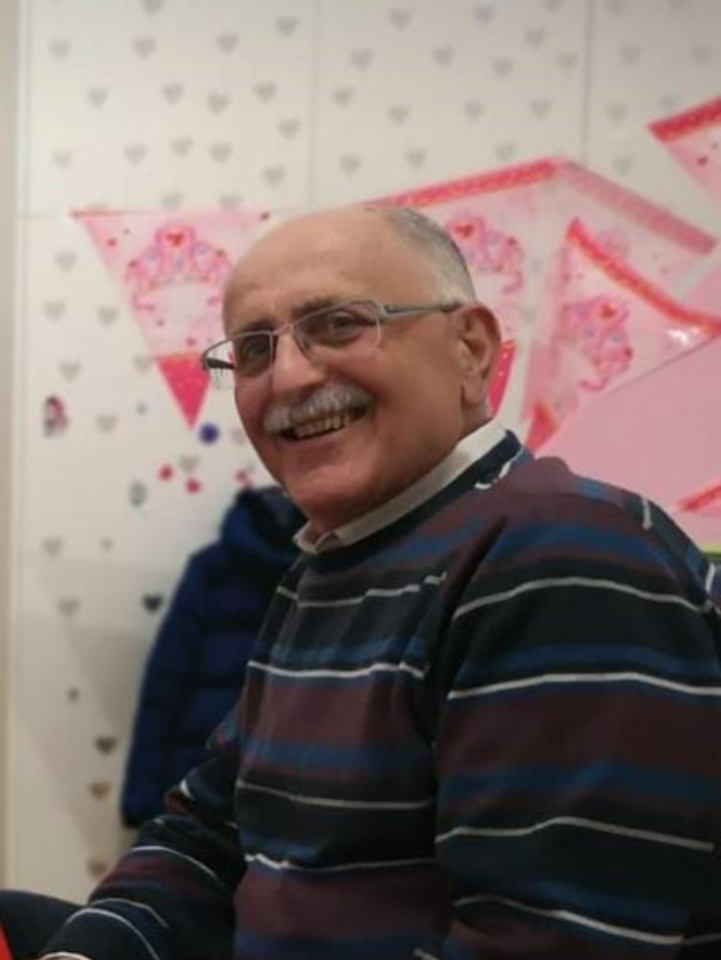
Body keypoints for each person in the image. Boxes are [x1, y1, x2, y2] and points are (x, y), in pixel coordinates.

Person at [12, 205, 721, 958]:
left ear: (471, 350)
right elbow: (208, 834)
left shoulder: (563, 560)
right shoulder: (331, 566)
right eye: (253, 350)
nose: (288, 376)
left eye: (341, 324)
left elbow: (545, 940)